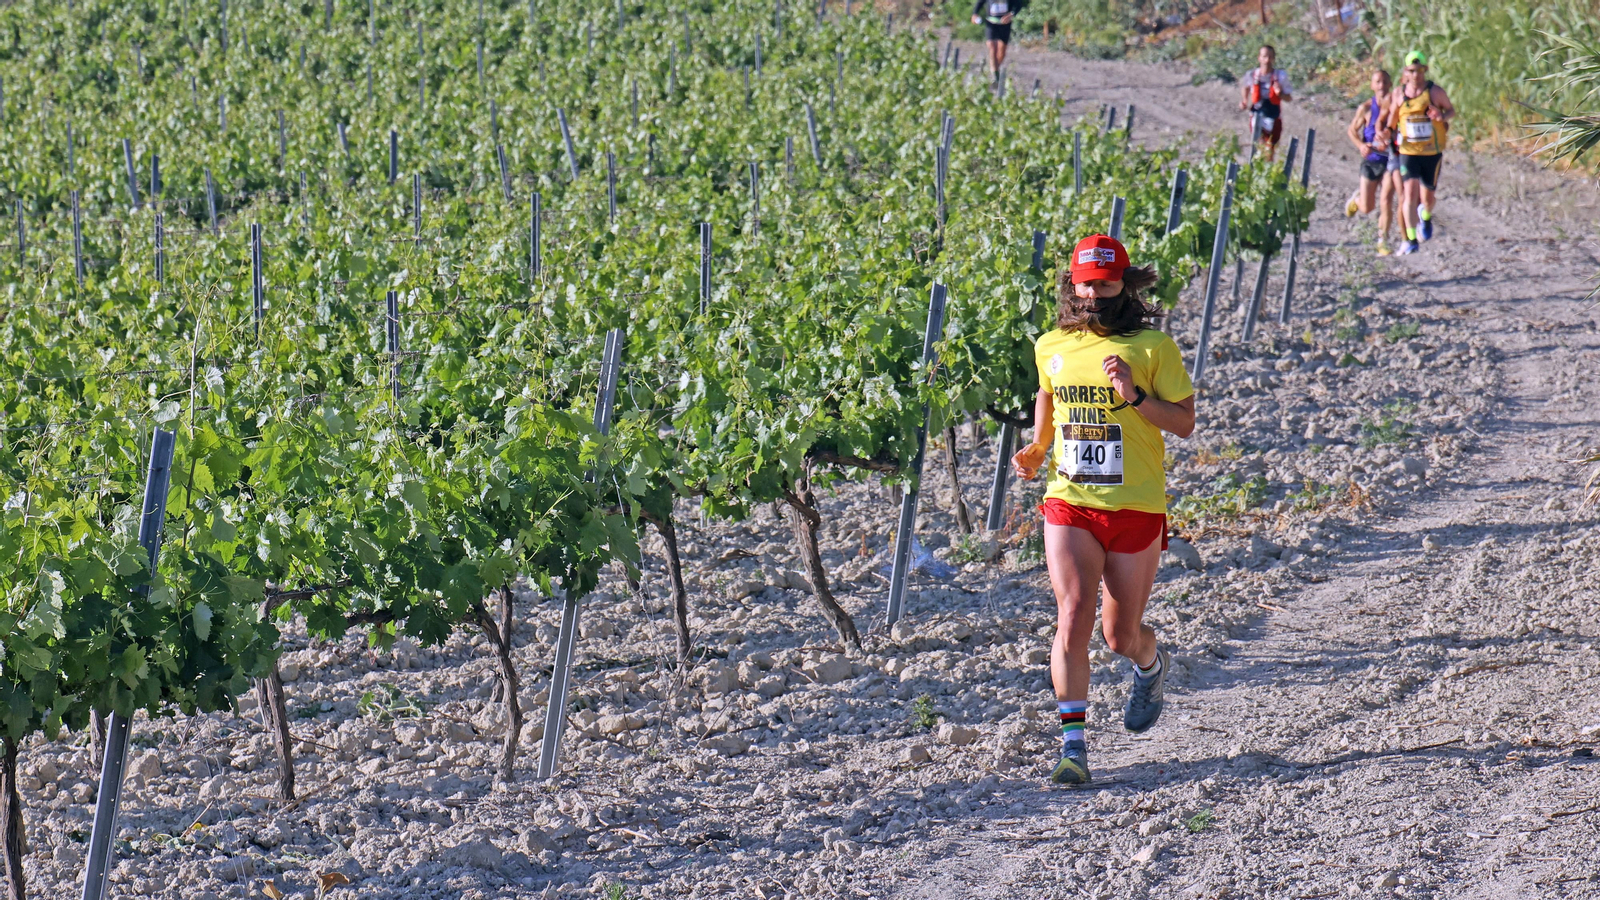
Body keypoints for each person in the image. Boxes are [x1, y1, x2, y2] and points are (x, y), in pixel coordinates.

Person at [1012, 235, 1196, 786]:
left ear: (1124, 285)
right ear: (1073, 283)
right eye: (1086, 283)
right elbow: (1049, 395)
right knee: (1072, 613)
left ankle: (1150, 664)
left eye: (1107, 282)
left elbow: (1185, 423)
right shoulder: (1051, 345)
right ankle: (1073, 749)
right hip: (1070, 501)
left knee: (1120, 635)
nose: (1095, 293)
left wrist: (1134, 396)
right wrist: (1039, 446)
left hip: (1136, 505)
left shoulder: (1152, 347)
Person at [1384, 50, 1455, 255]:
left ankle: (1425, 216)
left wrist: (1440, 116)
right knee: (1409, 194)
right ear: (1406, 72)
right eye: (1412, 71)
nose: (1416, 75)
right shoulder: (1399, 94)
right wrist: (1386, 134)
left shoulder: (1434, 92)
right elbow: (1392, 120)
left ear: (1425, 70)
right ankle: (1411, 238)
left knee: (1428, 197)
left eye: (1419, 71)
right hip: (1408, 151)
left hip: (1432, 152)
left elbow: (1451, 110)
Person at [1344, 69, 1398, 255]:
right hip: (1371, 160)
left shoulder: (1397, 107)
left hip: (1390, 161)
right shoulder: (1366, 108)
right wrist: (1360, 145)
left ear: (1390, 84)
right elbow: (1351, 130)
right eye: (1378, 82)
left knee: (1386, 200)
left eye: (1385, 82)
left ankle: (1383, 241)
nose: (1381, 86)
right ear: (1372, 86)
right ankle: (1357, 200)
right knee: (1367, 208)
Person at [1238, 45, 1292, 161]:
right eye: (1264, 57)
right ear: (1259, 58)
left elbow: (1289, 98)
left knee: (1270, 148)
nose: (1267, 60)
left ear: (1273, 59)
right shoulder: (1252, 75)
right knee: (1259, 144)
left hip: (1273, 113)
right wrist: (1244, 100)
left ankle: (1267, 168)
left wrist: (1280, 93)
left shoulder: (1280, 76)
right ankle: (1257, 166)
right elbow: (1245, 87)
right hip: (1257, 113)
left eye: (1270, 57)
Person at [970, 0, 1015, 83]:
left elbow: (1018, 4)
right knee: (992, 47)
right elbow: (980, 2)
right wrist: (975, 14)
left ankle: (995, 69)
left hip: (1004, 24)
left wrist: (1011, 14)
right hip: (991, 23)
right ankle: (995, 75)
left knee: (1001, 52)